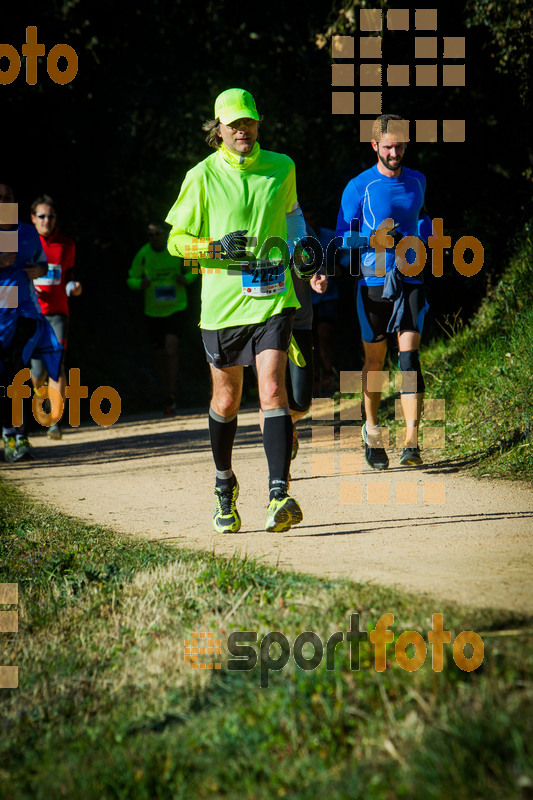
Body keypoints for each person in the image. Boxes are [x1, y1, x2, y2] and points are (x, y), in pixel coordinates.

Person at [166, 87, 316, 534]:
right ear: (218, 130)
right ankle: (224, 486)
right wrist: (214, 248)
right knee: (227, 400)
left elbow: (291, 216)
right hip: (222, 307)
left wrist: (301, 253)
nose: (242, 131)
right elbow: (177, 242)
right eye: (233, 124)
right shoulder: (201, 176)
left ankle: (278, 494)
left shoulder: (281, 166)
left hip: (273, 299)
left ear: (257, 123)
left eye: (248, 122)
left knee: (272, 390)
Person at [336, 114, 431, 469]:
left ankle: (411, 441)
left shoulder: (418, 180)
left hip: (410, 278)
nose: (395, 152)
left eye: (401, 145)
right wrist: (375, 239)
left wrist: (426, 235)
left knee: (409, 359)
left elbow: (422, 217)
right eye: (389, 146)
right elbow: (342, 237)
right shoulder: (358, 187)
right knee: (375, 362)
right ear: (374, 145)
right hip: (373, 283)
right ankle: (372, 432)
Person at [0, 184, 62, 461]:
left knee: (16, 371)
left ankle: (17, 435)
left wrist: (40, 269)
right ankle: (9, 432)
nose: (4, 201)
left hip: (23, 310)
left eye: (8, 197)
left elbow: (42, 264)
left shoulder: (25, 231)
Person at [128, 222, 196, 414]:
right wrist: (141, 283)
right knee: (160, 355)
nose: (153, 238)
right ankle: (166, 390)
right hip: (153, 312)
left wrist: (186, 279)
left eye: (157, 234)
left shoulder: (175, 249)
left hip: (176, 309)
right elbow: (131, 279)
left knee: (171, 349)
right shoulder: (143, 254)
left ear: (164, 234)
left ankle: (172, 391)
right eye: (149, 235)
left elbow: (194, 269)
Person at [30, 194, 82, 440]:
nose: (47, 220)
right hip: (31, 315)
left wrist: (74, 286)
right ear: (33, 218)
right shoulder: (24, 244)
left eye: (50, 216)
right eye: (42, 216)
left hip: (59, 314)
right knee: (36, 373)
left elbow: (69, 274)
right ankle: (41, 406)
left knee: (56, 365)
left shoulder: (67, 244)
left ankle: (54, 421)